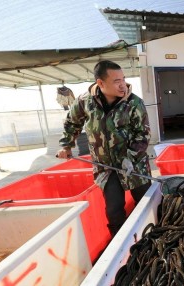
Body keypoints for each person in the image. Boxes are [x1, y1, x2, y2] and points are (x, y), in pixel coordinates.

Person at [56, 60, 151, 237]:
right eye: (116, 81)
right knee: (114, 212)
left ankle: (151, 238)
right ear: (100, 83)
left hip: (135, 166)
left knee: (147, 204)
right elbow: (72, 122)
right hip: (106, 168)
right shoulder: (85, 102)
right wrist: (66, 144)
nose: (123, 84)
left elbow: (143, 134)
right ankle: (122, 247)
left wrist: (130, 157)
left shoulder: (134, 103)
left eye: (123, 79)